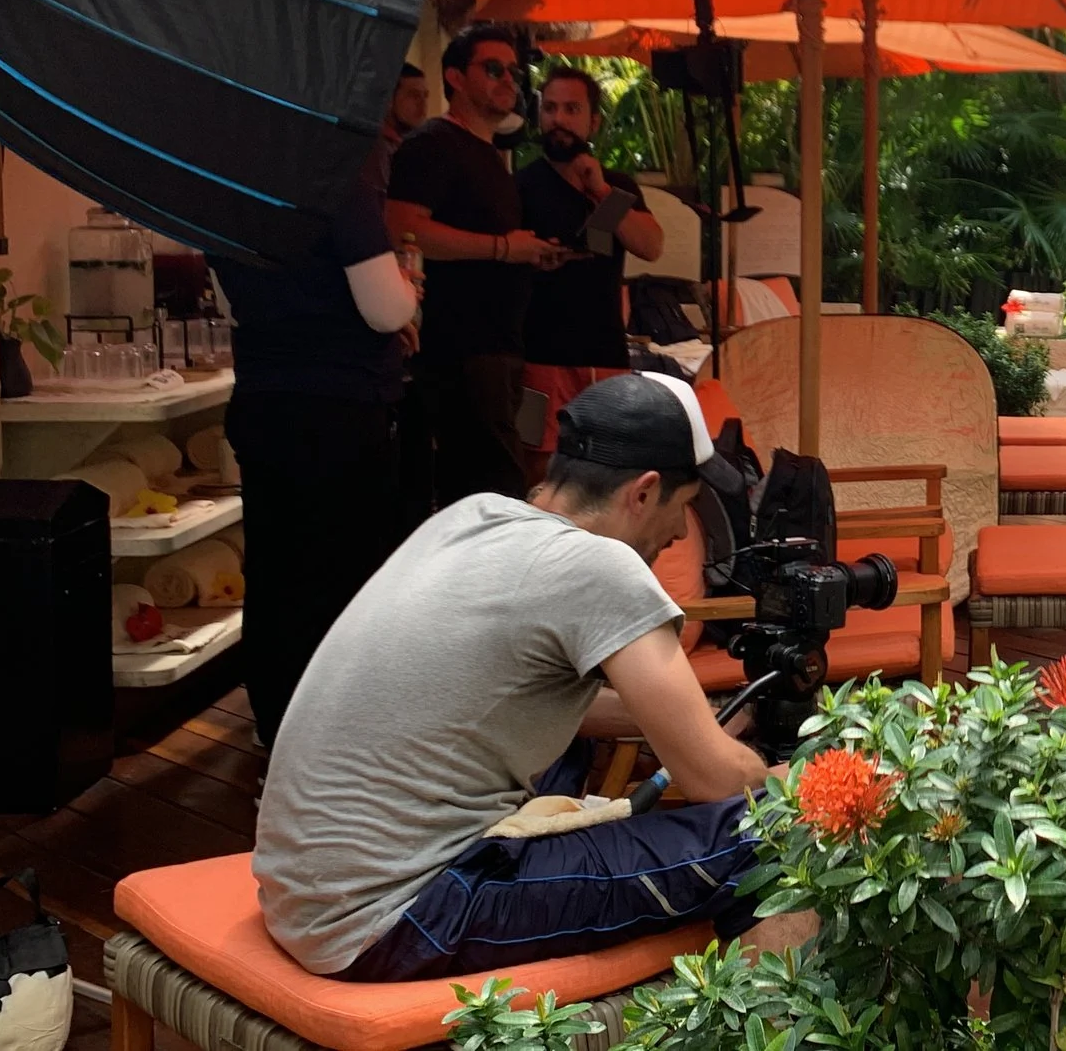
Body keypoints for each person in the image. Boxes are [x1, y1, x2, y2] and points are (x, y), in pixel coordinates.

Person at [255, 372, 773, 981]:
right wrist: (782, 780)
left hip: (302, 896)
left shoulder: (472, 517)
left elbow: (516, 701)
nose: (683, 533)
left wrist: (692, 718)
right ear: (644, 491)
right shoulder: (600, 566)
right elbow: (716, 781)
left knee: (571, 748)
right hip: (396, 919)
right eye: (684, 508)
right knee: (783, 835)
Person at [210, 181, 419, 749]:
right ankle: (340, 739)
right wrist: (408, 293)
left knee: (276, 573)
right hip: (340, 407)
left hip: (262, 401)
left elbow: (230, 304)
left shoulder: (220, 186)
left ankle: (277, 727)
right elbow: (383, 308)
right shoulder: (333, 179)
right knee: (345, 577)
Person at [386, 26, 567, 507]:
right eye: (493, 68)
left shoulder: (487, 153)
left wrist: (527, 254)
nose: (508, 79)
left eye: (513, 70)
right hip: (462, 351)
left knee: (498, 485)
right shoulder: (434, 143)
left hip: (499, 347)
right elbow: (404, 228)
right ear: (455, 77)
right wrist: (505, 249)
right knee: (493, 493)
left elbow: (488, 244)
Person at [517, 66, 664, 484]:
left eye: (571, 109)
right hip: (536, 357)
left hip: (605, 356)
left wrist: (599, 190)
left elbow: (651, 246)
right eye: (550, 109)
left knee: (608, 466)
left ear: (593, 121)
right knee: (537, 465)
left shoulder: (615, 187)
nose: (558, 119)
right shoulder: (521, 185)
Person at [376, 62, 430, 160]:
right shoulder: (378, 150)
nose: (423, 106)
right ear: (389, 100)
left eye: (425, 96)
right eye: (414, 96)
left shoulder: (404, 146)